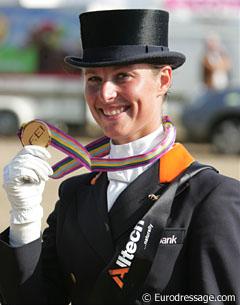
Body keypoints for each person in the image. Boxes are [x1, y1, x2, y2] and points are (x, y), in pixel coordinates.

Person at [0, 9, 240, 305]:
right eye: (93, 79)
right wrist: (24, 219)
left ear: (163, 80)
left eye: (123, 76)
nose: (105, 94)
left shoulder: (212, 197)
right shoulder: (75, 196)